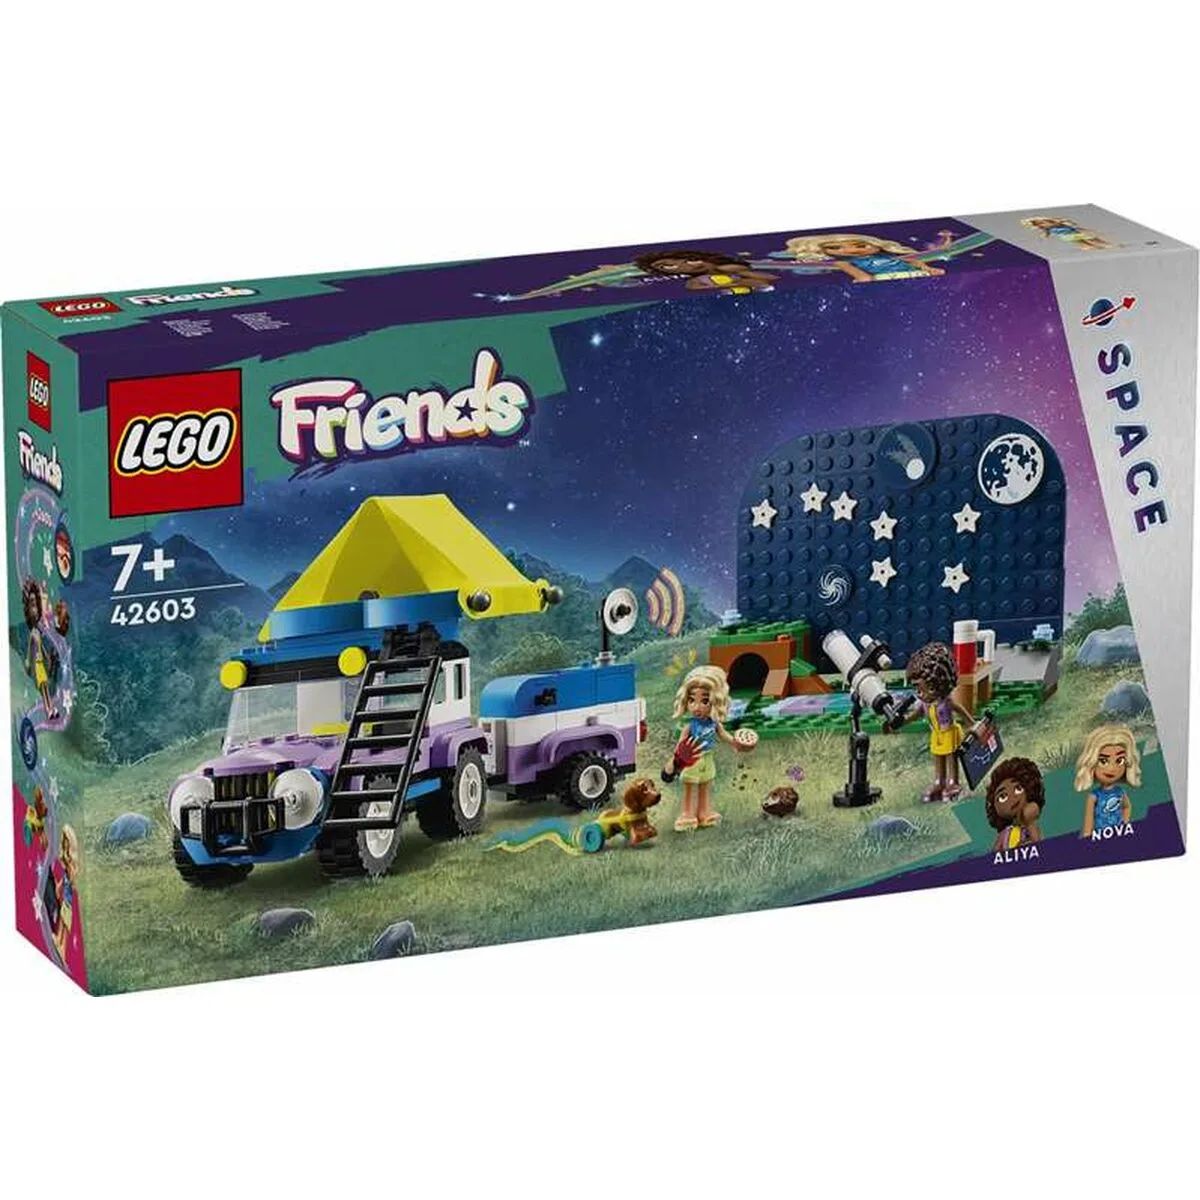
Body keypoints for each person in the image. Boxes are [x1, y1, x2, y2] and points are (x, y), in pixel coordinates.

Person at [1075, 724, 1141, 837]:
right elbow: (1088, 822)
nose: (1112, 769)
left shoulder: (1120, 792)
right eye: (1103, 761)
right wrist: (1087, 838)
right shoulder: (1094, 796)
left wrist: (1124, 823)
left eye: (1119, 760)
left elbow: (1127, 807)